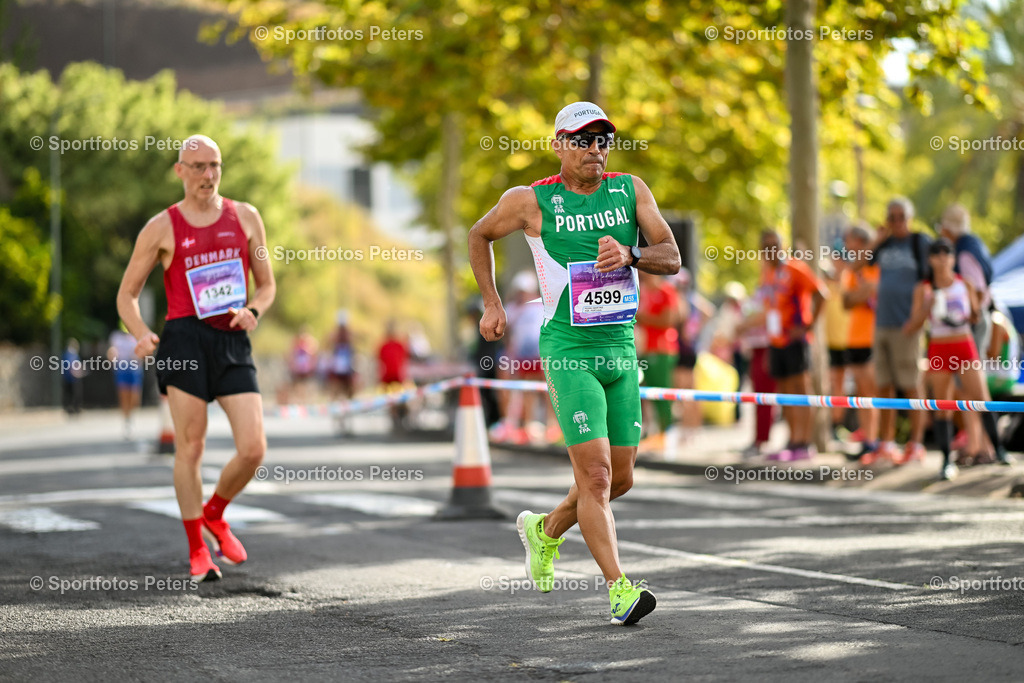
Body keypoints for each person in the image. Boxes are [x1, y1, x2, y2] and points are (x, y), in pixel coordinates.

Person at [468, 101, 679, 625]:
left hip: (621, 352)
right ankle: (619, 590)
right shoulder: (531, 201)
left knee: (620, 478)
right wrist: (492, 303)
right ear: (559, 143)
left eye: (603, 140)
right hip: (568, 352)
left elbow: (671, 256)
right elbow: (478, 235)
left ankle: (544, 530)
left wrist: (631, 256)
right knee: (598, 475)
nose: (595, 150)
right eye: (583, 140)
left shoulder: (631, 190)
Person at [116, 134, 276, 582]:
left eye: (215, 165)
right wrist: (143, 334)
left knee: (253, 448)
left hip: (231, 339)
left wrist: (254, 310)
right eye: (199, 166)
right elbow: (126, 295)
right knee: (191, 446)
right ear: (180, 171)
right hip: (184, 342)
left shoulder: (246, 217)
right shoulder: (161, 227)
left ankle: (215, 511)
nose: (208, 175)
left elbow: (266, 283)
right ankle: (196, 551)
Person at [903, 239, 1008, 480]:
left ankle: (999, 451)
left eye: (946, 254)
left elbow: (974, 317)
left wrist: (975, 310)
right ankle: (946, 461)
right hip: (939, 348)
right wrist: (927, 307)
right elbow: (912, 326)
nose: (942, 259)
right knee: (943, 406)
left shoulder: (965, 284)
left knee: (981, 398)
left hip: (964, 345)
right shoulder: (924, 288)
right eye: (936, 254)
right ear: (930, 259)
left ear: (952, 258)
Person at [871, 198, 931, 465]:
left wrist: (917, 319)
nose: (896, 222)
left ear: (909, 217)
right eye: (891, 217)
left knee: (910, 384)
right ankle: (886, 443)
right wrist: (877, 239)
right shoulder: (883, 245)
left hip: (906, 327)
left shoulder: (920, 243)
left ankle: (916, 443)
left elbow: (932, 283)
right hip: (882, 323)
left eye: (900, 216)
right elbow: (857, 266)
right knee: (883, 385)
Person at [760, 229, 829, 461]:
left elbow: (822, 294)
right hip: (776, 341)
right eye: (766, 245)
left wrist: (808, 327)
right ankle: (792, 441)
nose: (771, 249)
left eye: (775, 244)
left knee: (800, 389)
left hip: (796, 340)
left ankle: (804, 443)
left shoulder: (795, 268)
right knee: (784, 391)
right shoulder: (768, 273)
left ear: (782, 245)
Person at [840, 223, 881, 460]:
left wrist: (864, 291)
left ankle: (875, 440)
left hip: (872, 337)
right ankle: (868, 439)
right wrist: (864, 291)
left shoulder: (876, 268)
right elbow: (846, 302)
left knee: (872, 391)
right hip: (853, 337)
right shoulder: (850, 272)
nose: (848, 249)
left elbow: (875, 292)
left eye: (853, 244)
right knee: (861, 393)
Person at [636, 271, 681, 453]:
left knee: (662, 394)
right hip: (644, 348)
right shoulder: (642, 290)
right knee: (644, 394)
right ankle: (653, 433)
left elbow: (668, 320)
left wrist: (640, 316)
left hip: (662, 349)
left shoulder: (666, 291)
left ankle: (666, 435)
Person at [108, 323, 144, 438]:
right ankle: (127, 421)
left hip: (135, 370)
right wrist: (112, 355)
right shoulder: (116, 336)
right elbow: (111, 351)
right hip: (122, 369)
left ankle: (130, 416)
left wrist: (139, 355)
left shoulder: (137, 335)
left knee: (134, 397)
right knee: (124, 396)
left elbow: (143, 353)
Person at [61, 338, 84, 415]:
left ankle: (69, 408)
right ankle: (74, 408)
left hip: (67, 378)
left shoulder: (65, 354)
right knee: (75, 394)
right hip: (73, 378)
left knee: (69, 394)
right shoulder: (73, 354)